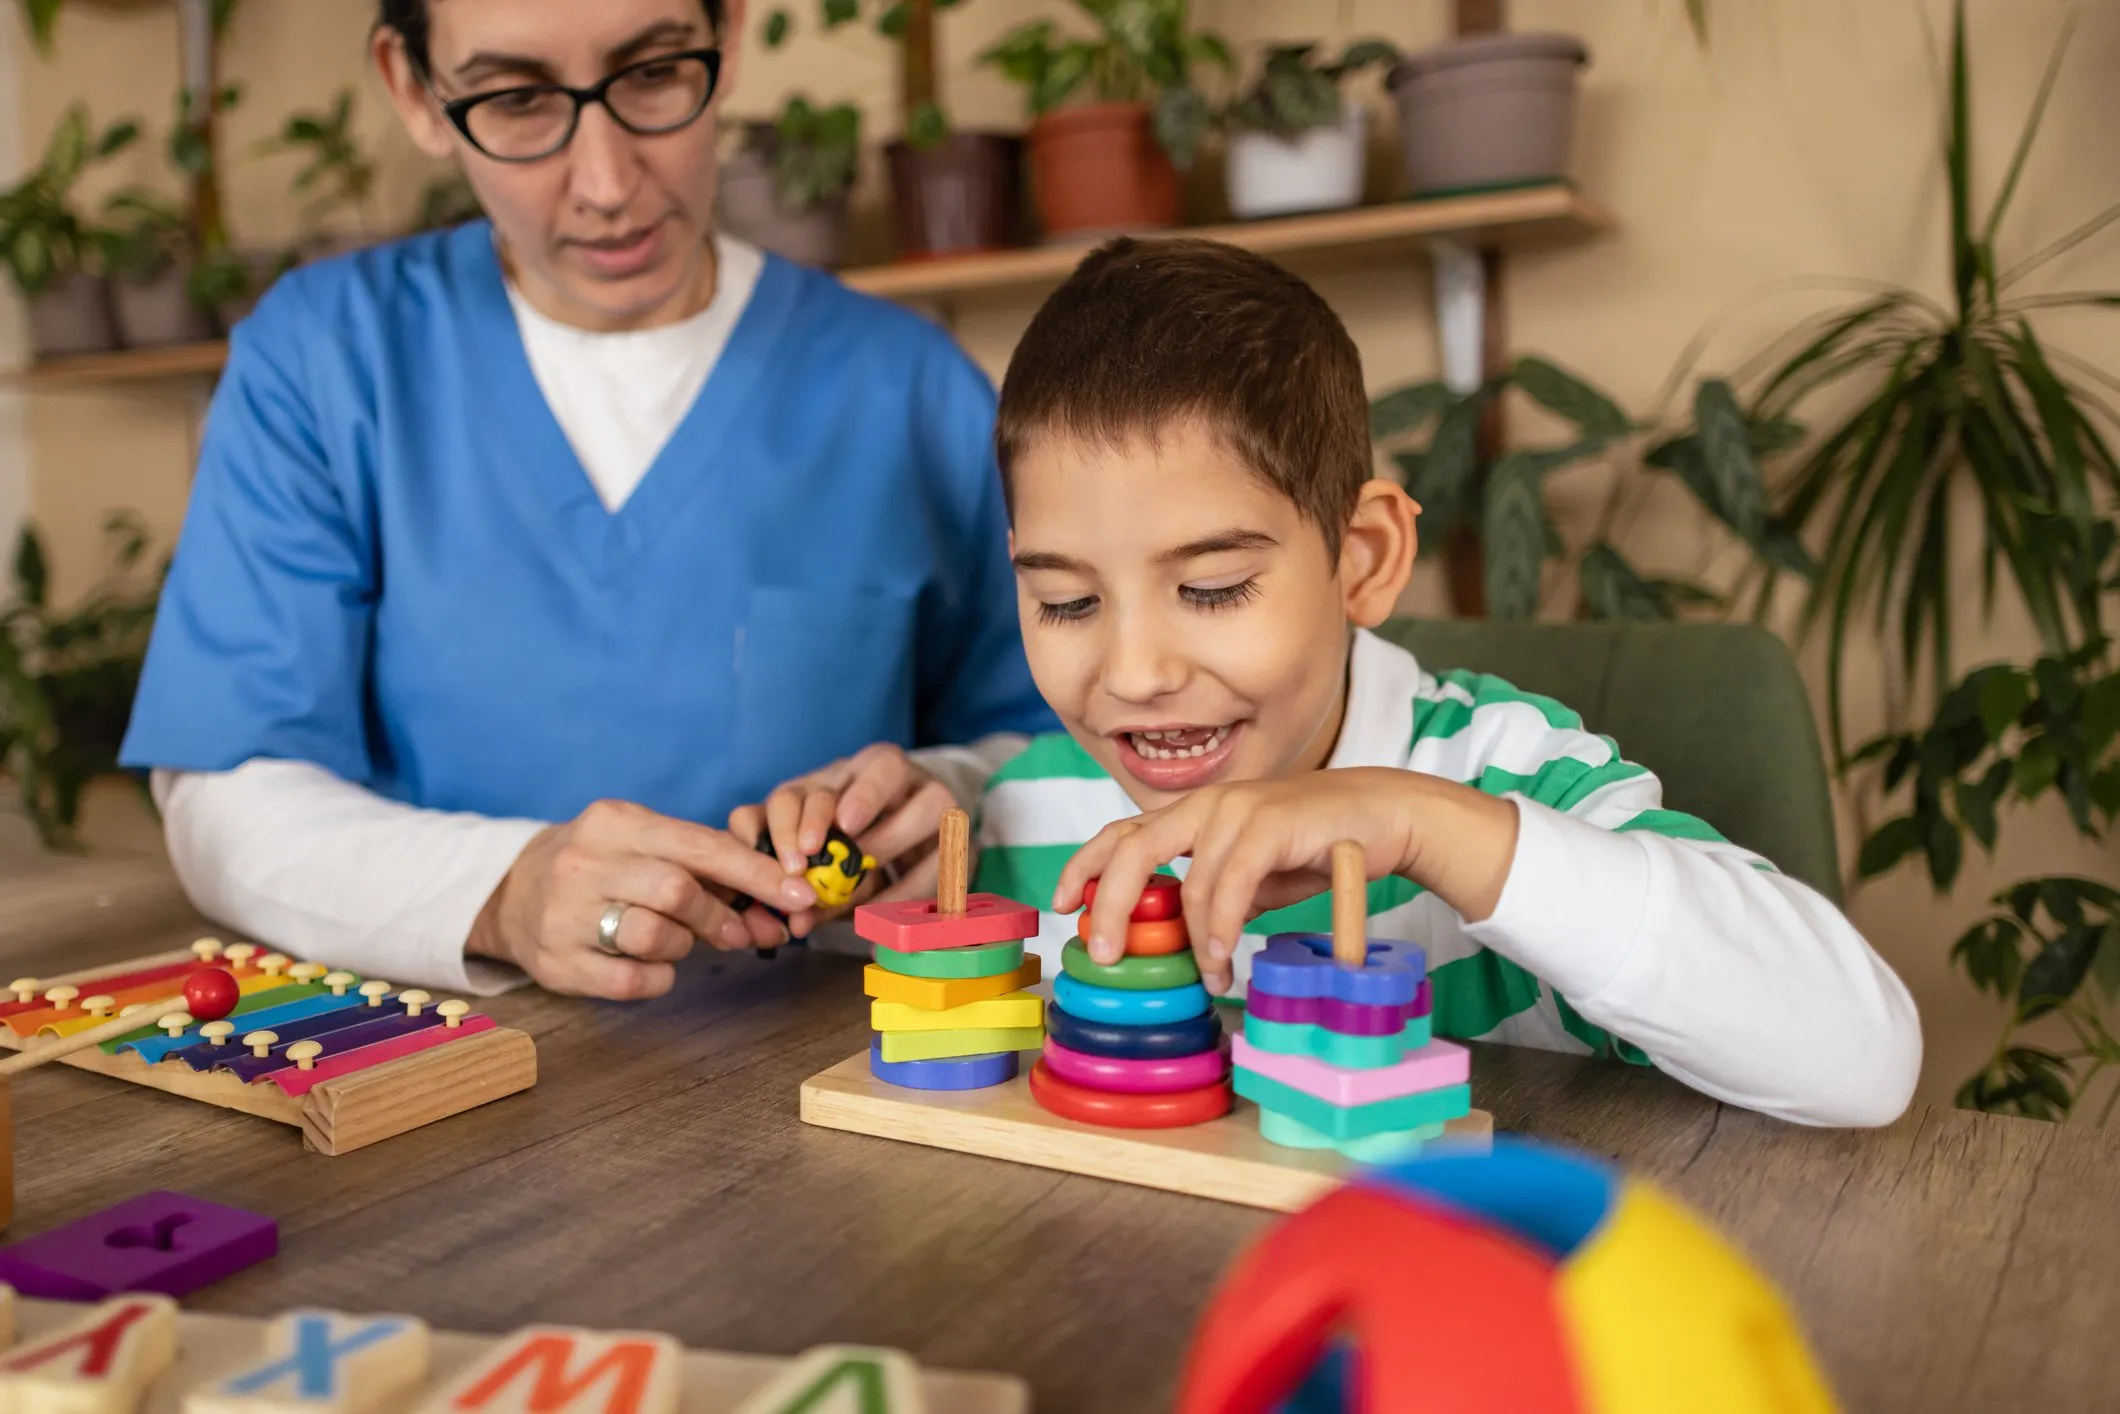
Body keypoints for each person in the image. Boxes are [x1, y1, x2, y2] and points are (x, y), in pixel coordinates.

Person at [770, 237, 1923, 1127]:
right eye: (1065, 601)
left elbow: (1862, 1057)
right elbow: (887, 930)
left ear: (1360, 557)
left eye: (1212, 586)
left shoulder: (1504, 775)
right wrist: (863, 847)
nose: (1131, 674)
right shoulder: (1028, 814)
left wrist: (1420, 826)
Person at [118, 0, 1051, 1002]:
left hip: (836, 1072)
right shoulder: (322, 361)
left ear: (728, 39)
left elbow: (1045, 747)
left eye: (652, 75)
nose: (607, 184)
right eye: (517, 100)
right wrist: (500, 894)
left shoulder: (905, 388)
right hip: (438, 1075)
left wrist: (938, 798)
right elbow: (227, 794)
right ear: (414, 89)